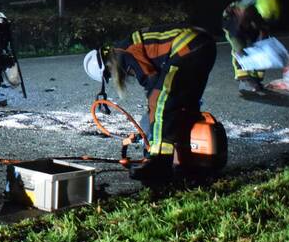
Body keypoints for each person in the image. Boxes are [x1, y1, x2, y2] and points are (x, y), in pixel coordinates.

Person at [84, 26, 217, 182]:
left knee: (160, 100)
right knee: (185, 106)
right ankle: (187, 162)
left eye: (109, 75)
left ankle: (159, 161)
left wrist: (151, 140)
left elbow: (154, 88)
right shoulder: (126, 49)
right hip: (203, 45)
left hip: (187, 47)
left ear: (108, 65)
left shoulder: (124, 53)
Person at [222, 0, 281, 94]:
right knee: (240, 50)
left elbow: (264, 29)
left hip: (251, 20)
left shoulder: (268, 6)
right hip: (232, 22)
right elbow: (235, 36)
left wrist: (262, 45)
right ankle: (244, 79)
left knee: (261, 48)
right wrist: (240, 51)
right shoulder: (240, 12)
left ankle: (256, 79)